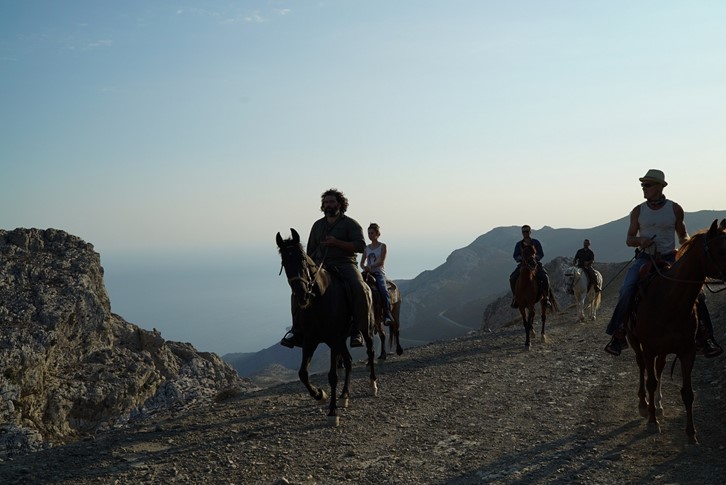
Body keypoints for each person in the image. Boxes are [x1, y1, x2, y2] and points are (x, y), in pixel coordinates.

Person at [604, 169, 723, 357]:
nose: (644, 188)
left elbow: (682, 234)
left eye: (648, 185)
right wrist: (641, 241)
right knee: (626, 289)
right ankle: (618, 334)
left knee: (697, 294)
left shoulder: (675, 209)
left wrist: (688, 244)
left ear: (660, 186)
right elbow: (629, 239)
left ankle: (705, 336)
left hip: (670, 257)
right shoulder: (638, 211)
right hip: (645, 258)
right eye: (643, 185)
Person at [281, 188, 373, 349]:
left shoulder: (350, 224)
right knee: (298, 290)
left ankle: (358, 329)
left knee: (359, 288)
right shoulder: (317, 225)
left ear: (340, 204)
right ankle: (296, 330)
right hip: (320, 266)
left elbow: (360, 246)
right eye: (325, 202)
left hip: (345, 264)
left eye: (331, 202)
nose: (328, 205)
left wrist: (337, 243)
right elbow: (309, 251)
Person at [509, 225, 552, 309]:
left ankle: (546, 297)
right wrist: (520, 258)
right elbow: (515, 255)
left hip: (534, 264)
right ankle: (515, 297)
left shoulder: (535, 242)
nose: (525, 233)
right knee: (512, 278)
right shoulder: (519, 244)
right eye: (523, 232)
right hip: (523, 265)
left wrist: (535, 258)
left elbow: (541, 253)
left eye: (527, 231)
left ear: (530, 232)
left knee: (545, 277)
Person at [360, 223, 395, 325]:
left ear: (377, 234)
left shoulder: (382, 246)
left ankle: (387, 314)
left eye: (372, 233)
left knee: (383, 290)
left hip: (378, 273)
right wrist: (364, 267)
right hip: (368, 273)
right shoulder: (366, 248)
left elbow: (381, 262)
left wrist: (371, 266)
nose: (370, 235)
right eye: (369, 233)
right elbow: (362, 262)